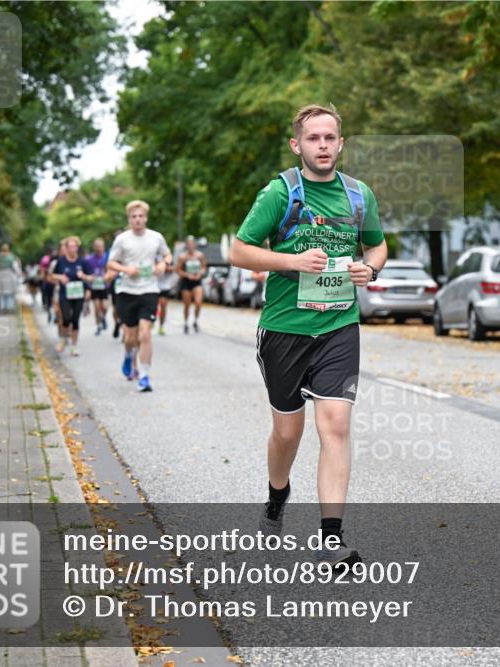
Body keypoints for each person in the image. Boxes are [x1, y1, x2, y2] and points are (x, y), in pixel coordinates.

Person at [229, 104, 387, 566]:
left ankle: (331, 540)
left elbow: (376, 242)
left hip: (339, 324)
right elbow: (240, 250)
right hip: (284, 329)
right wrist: (293, 261)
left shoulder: (359, 196)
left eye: (330, 138)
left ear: (341, 143)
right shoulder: (279, 193)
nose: (323, 145)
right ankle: (277, 498)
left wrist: (370, 268)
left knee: (335, 426)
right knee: (288, 432)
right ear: (298, 146)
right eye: (313, 138)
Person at [107, 201, 172, 392]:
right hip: (127, 291)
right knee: (130, 337)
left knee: (145, 334)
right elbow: (111, 263)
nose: (137, 220)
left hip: (149, 290)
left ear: (146, 217)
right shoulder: (122, 240)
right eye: (134, 217)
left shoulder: (156, 237)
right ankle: (129, 354)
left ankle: (144, 376)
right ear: (129, 219)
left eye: (141, 216)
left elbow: (167, 255)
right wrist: (126, 268)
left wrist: (162, 265)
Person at [50, 236, 87, 355]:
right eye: (70, 247)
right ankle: (64, 339)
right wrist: (60, 277)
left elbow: (91, 277)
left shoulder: (82, 261)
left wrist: (84, 276)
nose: (72, 249)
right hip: (64, 294)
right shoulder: (60, 261)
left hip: (78, 295)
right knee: (65, 318)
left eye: (74, 246)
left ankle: (74, 346)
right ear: (66, 248)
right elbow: (51, 275)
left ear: (77, 248)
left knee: (75, 320)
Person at [177, 235, 207, 333]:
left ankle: (195, 321)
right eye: (189, 244)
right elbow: (177, 270)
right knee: (187, 305)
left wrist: (200, 274)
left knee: (198, 302)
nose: (191, 246)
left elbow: (204, 268)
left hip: (197, 282)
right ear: (186, 245)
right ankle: (186, 322)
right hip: (186, 282)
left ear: (195, 244)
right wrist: (187, 275)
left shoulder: (200, 256)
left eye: (192, 244)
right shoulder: (182, 257)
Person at [83, 238, 110, 335]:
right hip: (94, 286)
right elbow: (85, 273)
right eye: (97, 246)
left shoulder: (108, 258)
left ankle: (103, 317)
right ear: (94, 247)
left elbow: (111, 271)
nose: (99, 248)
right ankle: (98, 325)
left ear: (103, 247)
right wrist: (87, 286)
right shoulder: (88, 259)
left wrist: (108, 276)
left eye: (101, 246)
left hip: (105, 286)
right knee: (97, 307)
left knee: (105, 307)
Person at [155, 240, 178, 336]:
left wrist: (165, 268)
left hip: (165, 285)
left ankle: (161, 326)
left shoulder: (168, 257)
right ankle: (151, 320)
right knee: (153, 306)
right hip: (154, 285)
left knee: (163, 306)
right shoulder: (153, 256)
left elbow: (173, 269)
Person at [0, 244, 20, 313]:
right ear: (8, 249)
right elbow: (15, 267)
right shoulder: (11, 257)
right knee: (9, 293)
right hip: (9, 274)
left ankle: (3, 307)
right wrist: (18, 273)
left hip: (0, 275)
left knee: (2, 293)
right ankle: (9, 307)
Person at [39, 246, 56, 322]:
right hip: (48, 280)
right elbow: (42, 269)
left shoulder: (54, 258)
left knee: (50, 297)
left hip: (53, 280)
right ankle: (49, 310)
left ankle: (50, 310)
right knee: (49, 296)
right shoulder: (45, 259)